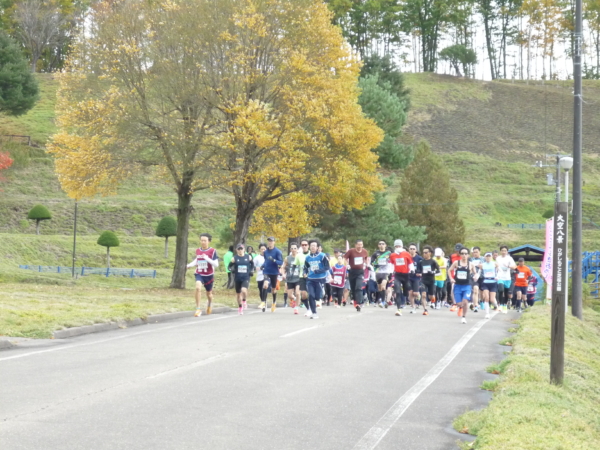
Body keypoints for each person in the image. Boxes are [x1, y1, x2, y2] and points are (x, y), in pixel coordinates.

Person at [186, 233, 219, 317]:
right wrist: (189, 265)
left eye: (205, 240)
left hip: (209, 275)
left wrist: (207, 258)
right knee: (197, 287)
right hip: (199, 273)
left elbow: (216, 264)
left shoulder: (213, 251)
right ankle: (198, 308)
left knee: (209, 294)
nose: (203, 242)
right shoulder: (198, 250)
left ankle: (209, 303)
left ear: (209, 241)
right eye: (201, 240)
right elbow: (197, 260)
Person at [448, 247, 476, 324]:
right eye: (462, 253)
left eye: (466, 254)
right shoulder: (456, 263)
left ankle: (464, 317)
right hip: (458, 285)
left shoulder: (471, 264)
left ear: (468, 255)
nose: (464, 255)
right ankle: (460, 307)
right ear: (460, 254)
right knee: (459, 303)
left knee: (465, 301)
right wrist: (451, 278)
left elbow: (475, 273)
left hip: (467, 285)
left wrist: (475, 276)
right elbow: (449, 270)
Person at [303, 240, 330, 319]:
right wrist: (304, 273)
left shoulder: (322, 256)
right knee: (311, 295)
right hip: (310, 279)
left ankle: (321, 294)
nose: (312, 247)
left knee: (318, 297)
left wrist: (318, 271)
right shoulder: (307, 257)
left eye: (314, 246)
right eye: (311, 245)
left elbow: (327, 267)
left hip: (320, 278)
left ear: (317, 247)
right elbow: (305, 267)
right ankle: (314, 313)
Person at [388, 239, 413, 317]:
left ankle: (405, 298)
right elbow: (391, 264)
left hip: (406, 275)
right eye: (396, 246)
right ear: (394, 246)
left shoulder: (406, 254)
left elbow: (410, 263)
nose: (398, 247)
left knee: (405, 292)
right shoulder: (392, 255)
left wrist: (412, 270)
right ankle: (399, 309)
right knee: (397, 291)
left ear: (402, 246)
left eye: (399, 246)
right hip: (397, 275)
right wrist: (390, 272)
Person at [228, 244, 254, 314]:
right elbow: (229, 266)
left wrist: (251, 270)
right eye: (238, 249)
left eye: (241, 249)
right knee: (238, 294)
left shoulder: (248, 257)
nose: (240, 250)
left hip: (246, 277)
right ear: (236, 250)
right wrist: (231, 270)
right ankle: (240, 307)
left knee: (244, 290)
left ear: (244, 249)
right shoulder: (234, 258)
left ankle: (244, 300)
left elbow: (252, 264)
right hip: (238, 278)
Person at [344, 240, 369, 312]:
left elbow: (366, 258)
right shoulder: (351, 251)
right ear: (355, 245)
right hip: (352, 271)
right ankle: (355, 301)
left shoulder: (364, 251)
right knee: (353, 288)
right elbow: (345, 258)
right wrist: (347, 264)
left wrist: (365, 264)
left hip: (360, 272)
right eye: (358, 245)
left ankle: (359, 302)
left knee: (358, 287)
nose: (360, 246)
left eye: (361, 244)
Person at [416, 245, 440, 316]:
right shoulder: (421, 262)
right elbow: (418, 271)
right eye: (423, 253)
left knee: (431, 297)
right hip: (423, 280)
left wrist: (433, 272)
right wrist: (418, 273)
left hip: (431, 280)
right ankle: (425, 309)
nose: (424, 254)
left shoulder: (433, 261)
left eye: (426, 253)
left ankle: (433, 299)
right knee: (423, 295)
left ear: (430, 253)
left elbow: (439, 271)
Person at [263, 237, 284, 313]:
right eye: (269, 241)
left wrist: (274, 260)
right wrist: (263, 265)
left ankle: (274, 302)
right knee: (265, 285)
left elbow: (281, 262)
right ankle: (263, 302)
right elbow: (266, 261)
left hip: (274, 272)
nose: (270, 242)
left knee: (273, 289)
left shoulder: (278, 251)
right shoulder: (265, 252)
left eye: (271, 241)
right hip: (266, 271)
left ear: (274, 242)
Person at [371, 240, 393, 308]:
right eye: (380, 244)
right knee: (380, 288)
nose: (381, 245)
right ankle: (383, 300)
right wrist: (375, 264)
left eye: (383, 244)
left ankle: (383, 302)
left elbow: (393, 260)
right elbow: (371, 262)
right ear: (378, 245)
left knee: (383, 286)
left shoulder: (389, 253)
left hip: (386, 272)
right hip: (378, 272)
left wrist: (391, 270)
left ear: (385, 245)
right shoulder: (375, 253)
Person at [281, 242, 301, 314]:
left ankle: (296, 307)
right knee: (289, 295)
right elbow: (283, 267)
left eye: (295, 248)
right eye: (292, 248)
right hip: (290, 278)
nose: (293, 250)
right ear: (290, 249)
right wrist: (283, 274)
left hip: (298, 278)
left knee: (297, 293)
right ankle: (295, 299)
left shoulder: (300, 257)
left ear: (297, 249)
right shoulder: (287, 258)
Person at [496, 245, 516, 313]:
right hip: (500, 277)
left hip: (507, 278)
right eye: (502, 251)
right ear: (500, 251)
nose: (504, 252)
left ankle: (505, 305)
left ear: (507, 251)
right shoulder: (498, 258)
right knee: (501, 290)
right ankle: (501, 304)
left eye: (505, 251)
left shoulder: (509, 258)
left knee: (507, 292)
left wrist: (508, 266)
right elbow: (496, 266)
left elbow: (514, 267)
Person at [480, 252, 499, 319]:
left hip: (493, 282)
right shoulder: (482, 265)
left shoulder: (495, 264)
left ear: (491, 257)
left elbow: (499, 271)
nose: (488, 257)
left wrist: (497, 276)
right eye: (487, 256)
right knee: (486, 298)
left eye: (489, 256)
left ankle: (496, 306)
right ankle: (487, 313)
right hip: (485, 282)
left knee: (492, 299)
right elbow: (479, 272)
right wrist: (476, 276)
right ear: (485, 257)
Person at [408, 243, 423, 312]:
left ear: (416, 250)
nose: (412, 250)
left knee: (415, 293)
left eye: (413, 249)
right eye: (411, 249)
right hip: (408, 277)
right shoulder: (407, 257)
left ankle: (418, 294)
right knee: (410, 292)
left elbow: (423, 268)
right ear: (409, 250)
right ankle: (413, 306)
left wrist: (420, 273)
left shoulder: (419, 259)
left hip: (416, 278)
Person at [254, 243, 269, 311]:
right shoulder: (257, 258)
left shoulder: (269, 257)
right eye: (261, 249)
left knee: (265, 288)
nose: (263, 250)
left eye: (264, 249)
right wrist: (255, 268)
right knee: (261, 290)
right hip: (259, 275)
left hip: (267, 275)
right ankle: (263, 301)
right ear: (259, 250)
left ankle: (263, 301)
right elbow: (253, 266)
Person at [297, 239, 310, 313]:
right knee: (304, 295)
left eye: (305, 245)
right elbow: (295, 265)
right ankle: (308, 309)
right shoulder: (298, 255)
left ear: (308, 245)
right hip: (302, 277)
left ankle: (312, 307)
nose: (304, 246)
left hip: (311, 276)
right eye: (303, 245)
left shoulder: (311, 254)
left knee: (312, 294)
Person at [470, 247, 483, 313]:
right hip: (474, 278)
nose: (475, 253)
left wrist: (482, 266)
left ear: (479, 252)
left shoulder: (483, 259)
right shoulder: (471, 259)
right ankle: (475, 305)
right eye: (474, 252)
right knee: (475, 290)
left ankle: (481, 301)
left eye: (476, 252)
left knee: (482, 293)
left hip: (482, 277)